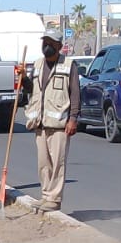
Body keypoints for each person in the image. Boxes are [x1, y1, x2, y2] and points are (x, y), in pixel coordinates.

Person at [22, 33, 80, 212]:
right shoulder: (38, 64)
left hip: (60, 123)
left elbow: (75, 93)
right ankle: (45, 194)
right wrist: (23, 78)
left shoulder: (69, 65)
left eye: (50, 43)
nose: (46, 46)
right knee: (43, 163)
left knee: (57, 163)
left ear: (58, 46)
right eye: (45, 42)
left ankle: (54, 199)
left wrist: (73, 118)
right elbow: (31, 89)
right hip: (39, 122)